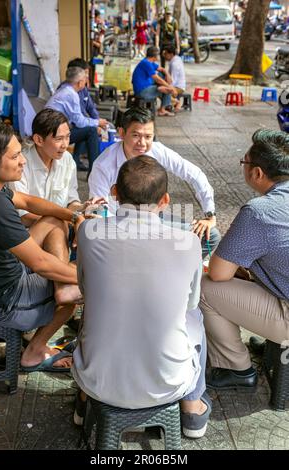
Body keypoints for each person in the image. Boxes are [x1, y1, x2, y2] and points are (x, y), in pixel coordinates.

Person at [73, 156, 212, 438]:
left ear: (114, 193)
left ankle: (83, 403)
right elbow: (191, 303)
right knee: (195, 316)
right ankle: (192, 411)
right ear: (165, 201)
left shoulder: (88, 231)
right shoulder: (189, 242)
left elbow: (85, 289)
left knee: (95, 311)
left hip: (97, 380)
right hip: (167, 382)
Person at [0, 121, 86, 372]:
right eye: (15, 156)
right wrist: (90, 277)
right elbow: (40, 264)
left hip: (2, 272)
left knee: (54, 221)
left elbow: (29, 201)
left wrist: (72, 216)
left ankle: (62, 286)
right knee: (70, 296)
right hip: (3, 301)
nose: (22, 160)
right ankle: (34, 352)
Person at [200, 129, 289, 390]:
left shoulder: (259, 212)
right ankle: (272, 341)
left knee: (207, 287)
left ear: (257, 173)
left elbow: (218, 273)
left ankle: (235, 368)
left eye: (244, 163)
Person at [89, 107, 220, 258]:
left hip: (155, 221)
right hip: (120, 227)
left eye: (148, 136)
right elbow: (99, 208)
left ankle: (169, 264)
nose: (142, 143)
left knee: (211, 235)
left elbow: (194, 174)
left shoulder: (158, 151)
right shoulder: (103, 165)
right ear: (122, 133)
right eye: (136, 135)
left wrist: (210, 214)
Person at [45, 67, 104, 172]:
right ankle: (94, 171)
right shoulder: (71, 94)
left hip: (51, 129)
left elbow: (78, 120)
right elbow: (80, 122)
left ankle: (75, 161)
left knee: (85, 129)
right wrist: (97, 122)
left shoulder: (64, 89)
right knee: (91, 131)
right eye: (85, 79)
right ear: (80, 82)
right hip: (53, 133)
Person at [132, 46, 176, 117]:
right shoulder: (146, 63)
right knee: (167, 89)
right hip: (142, 91)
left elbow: (162, 69)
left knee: (162, 75)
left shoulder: (149, 62)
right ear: (155, 56)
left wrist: (167, 74)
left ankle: (165, 100)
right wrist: (170, 87)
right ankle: (162, 109)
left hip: (147, 86)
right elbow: (156, 79)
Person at [162, 45, 186, 112]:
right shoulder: (176, 59)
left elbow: (173, 81)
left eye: (166, 53)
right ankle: (169, 104)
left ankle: (176, 102)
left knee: (160, 90)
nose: (164, 55)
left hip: (178, 87)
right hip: (176, 85)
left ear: (171, 54)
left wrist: (166, 86)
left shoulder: (175, 63)